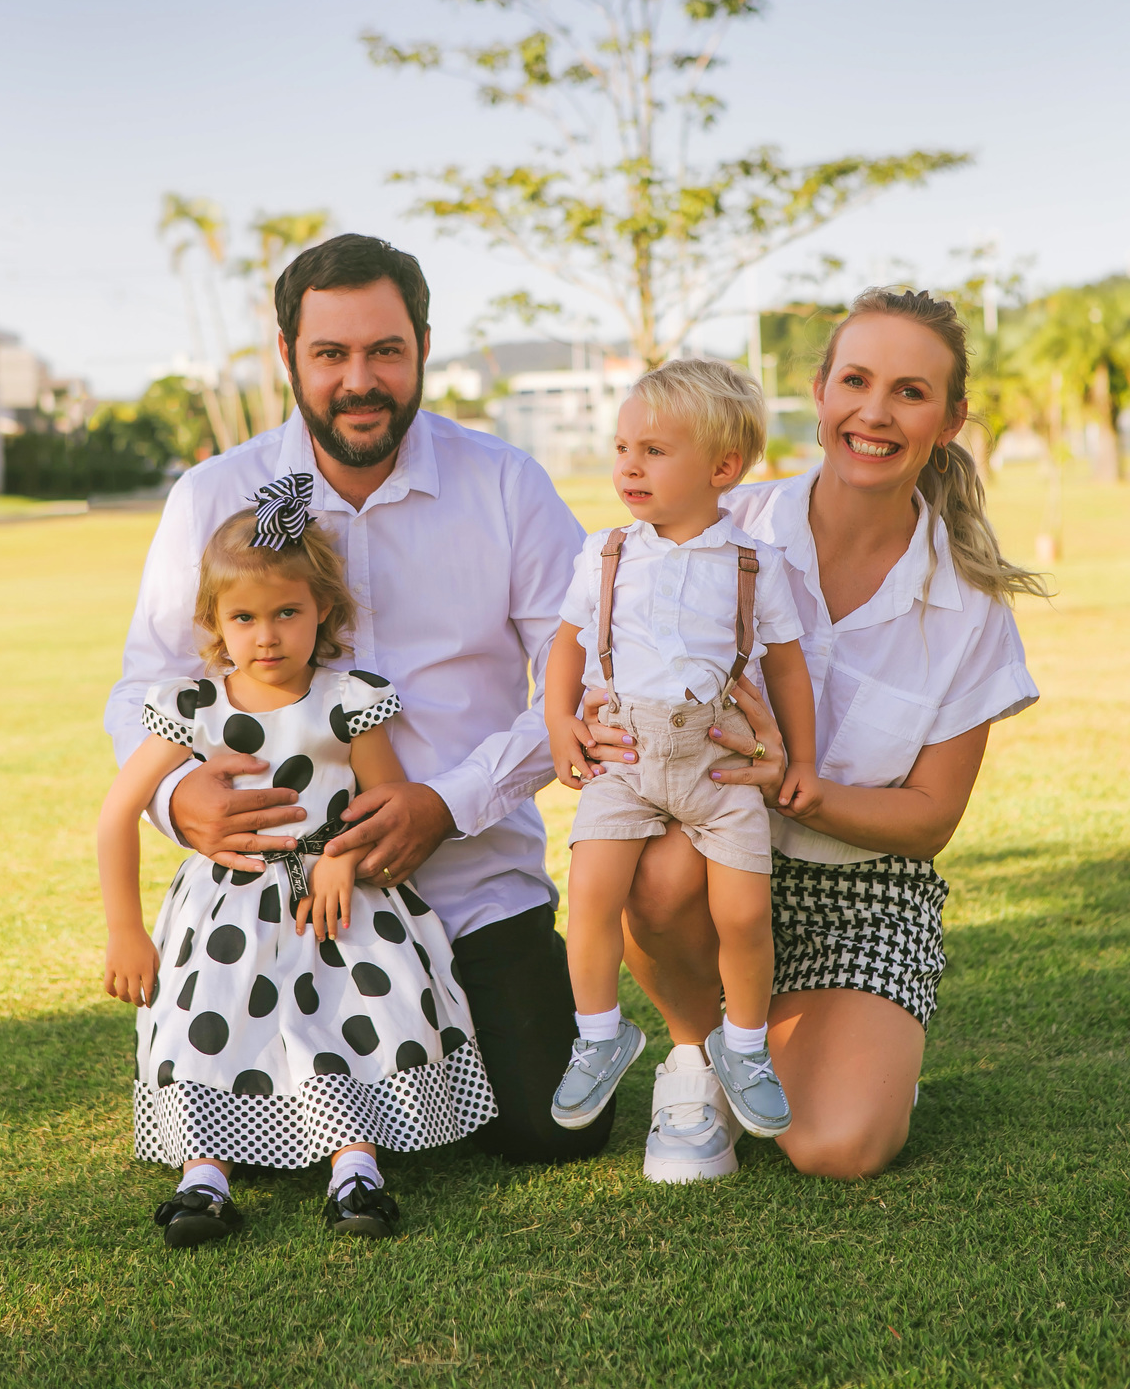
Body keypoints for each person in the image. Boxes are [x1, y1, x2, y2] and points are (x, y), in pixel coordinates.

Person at [105, 232, 611, 1166]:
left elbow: (582, 685)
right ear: (289, 356)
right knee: (269, 1134)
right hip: (271, 907)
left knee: (554, 1129)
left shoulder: (507, 485)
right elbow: (144, 687)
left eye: (386, 350)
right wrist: (182, 801)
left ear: (423, 343)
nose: (360, 380)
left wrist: (445, 803)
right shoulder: (213, 495)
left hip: (470, 889)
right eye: (331, 354)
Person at [583, 289, 1045, 1181]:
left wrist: (793, 779)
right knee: (649, 859)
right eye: (856, 381)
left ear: (948, 421)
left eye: (910, 393)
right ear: (822, 392)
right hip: (717, 850)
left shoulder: (970, 610)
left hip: (862, 887)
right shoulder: (721, 526)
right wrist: (595, 722)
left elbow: (929, 822)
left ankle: (826, 1055)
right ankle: (695, 1057)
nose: (874, 412)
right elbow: (602, 647)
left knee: (835, 1146)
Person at [99, 499, 496, 1248]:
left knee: (356, 1011)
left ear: (324, 610)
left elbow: (382, 804)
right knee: (212, 1018)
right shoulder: (191, 707)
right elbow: (116, 815)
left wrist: (344, 857)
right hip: (225, 909)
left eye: (287, 612)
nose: (267, 635)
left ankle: (357, 1170)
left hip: (337, 900)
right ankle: (203, 1179)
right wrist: (125, 931)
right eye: (243, 618)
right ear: (214, 622)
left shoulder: (349, 702)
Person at [543, 360, 817, 1167]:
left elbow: (788, 666)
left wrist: (791, 755)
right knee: (591, 890)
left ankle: (744, 1042)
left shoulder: (750, 565)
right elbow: (566, 644)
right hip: (625, 756)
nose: (628, 465)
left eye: (654, 450)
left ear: (723, 470)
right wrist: (561, 720)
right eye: (623, 446)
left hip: (717, 764)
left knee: (742, 914)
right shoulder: (605, 554)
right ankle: (600, 1036)